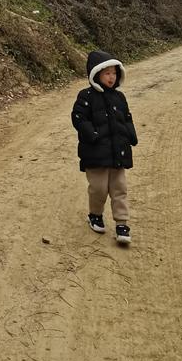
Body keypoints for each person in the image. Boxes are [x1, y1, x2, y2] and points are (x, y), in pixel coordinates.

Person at [71, 50, 138, 245]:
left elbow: (126, 118)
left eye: (114, 73)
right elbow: (78, 118)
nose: (111, 77)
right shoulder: (86, 96)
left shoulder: (120, 98)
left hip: (118, 151)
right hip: (95, 153)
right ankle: (95, 214)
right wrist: (92, 135)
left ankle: (122, 223)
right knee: (99, 189)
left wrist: (131, 135)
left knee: (119, 188)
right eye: (107, 73)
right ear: (96, 74)